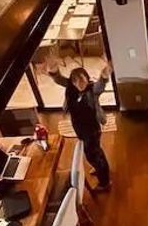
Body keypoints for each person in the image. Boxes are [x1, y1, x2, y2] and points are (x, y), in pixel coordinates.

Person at [46, 57, 112, 191]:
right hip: (80, 127)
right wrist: (53, 70)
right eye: (76, 80)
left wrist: (104, 76)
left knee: (92, 154)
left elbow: (100, 85)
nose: (80, 83)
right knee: (96, 151)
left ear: (87, 79)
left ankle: (105, 183)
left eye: (83, 79)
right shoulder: (71, 88)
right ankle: (100, 167)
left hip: (92, 129)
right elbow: (59, 79)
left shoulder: (92, 90)